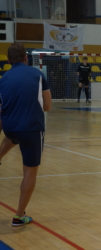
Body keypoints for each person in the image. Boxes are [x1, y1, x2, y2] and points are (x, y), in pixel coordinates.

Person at [0, 43, 52, 226]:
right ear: (26, 58)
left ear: (8, 61)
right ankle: (19, 215)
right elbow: (47, 106)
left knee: (12, 137)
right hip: (31, 129)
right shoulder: (38, 75)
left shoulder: (3, 78)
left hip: (10, 127)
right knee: (30, 172)